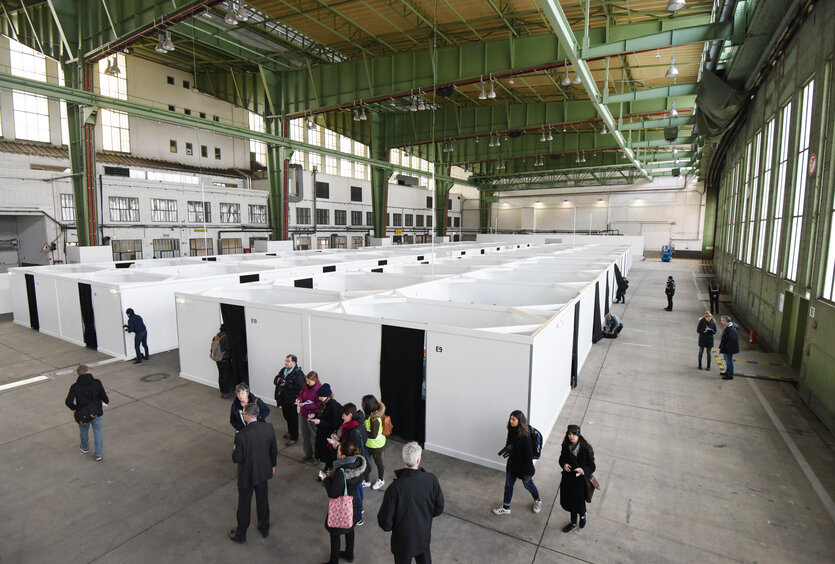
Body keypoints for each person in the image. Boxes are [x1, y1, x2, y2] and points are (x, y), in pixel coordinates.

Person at [378, 441, 445, 564]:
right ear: (418, 460)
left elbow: (385, 522)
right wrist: (424, 517)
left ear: (404, 459)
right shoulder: (431, 480)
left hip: (402, 542)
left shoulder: (395, 488)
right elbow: (439, 507)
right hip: (423, 537)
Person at [229, 402, 278, 543]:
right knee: (262, 500)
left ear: (248, 416)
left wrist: (234, 448)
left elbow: (236, 458)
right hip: (263, 471)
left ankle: (241, 533)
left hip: (247, 474)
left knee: (244, 504)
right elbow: (273, 449)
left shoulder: (241, 435)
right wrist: (272, 465)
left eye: (244, 414)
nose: (243, 416)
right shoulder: (268, 428)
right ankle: (264, 528)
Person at [321, 442, 366, 564]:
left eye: (339, 451)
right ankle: (349, 554)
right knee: (350, 529)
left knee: (335, 533)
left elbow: (333, 493)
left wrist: (326, 479)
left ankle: (334, 561)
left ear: (343, 456)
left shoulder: (342, 471)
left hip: (342, 507)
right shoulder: (358, 463)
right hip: (354, 504)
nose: (337, 452)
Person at [492, 410, 542, 516]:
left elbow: (528, 457)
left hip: (524, 468)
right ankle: (506, 507)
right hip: (512, 465)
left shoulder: (526, 437)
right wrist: (508, 449)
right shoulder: (511, 430)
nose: (511, 421)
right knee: (508, 485)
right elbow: (509, 443)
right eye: (510, 418)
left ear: (520, 421)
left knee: (528, 485)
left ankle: (537, 500)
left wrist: (528, 472)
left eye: (514, 419)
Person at [65, 364, 109, 461]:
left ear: (78, 375)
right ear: (87, 371)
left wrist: (74, 409)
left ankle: (85, 448)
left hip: (82, 414)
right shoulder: (96, 382)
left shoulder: (74, 387)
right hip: (96, 412)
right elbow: (104, 397)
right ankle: (98, 454)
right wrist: (105, 401)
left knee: (83, 430)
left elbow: (68, 401)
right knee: (97, 432)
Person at [558, 424, 595, 532]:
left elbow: (592, 467)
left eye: (574, 434)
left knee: (579, 503)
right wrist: (564, 465)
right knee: (570, 503)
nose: (571, 436)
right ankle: (573, 523)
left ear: (578, 435)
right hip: (568, 479)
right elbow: (561, 459)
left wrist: (583, 470)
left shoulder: (585, 449)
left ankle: (583, 516)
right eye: (569, 434)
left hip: (580, 481)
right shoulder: (566, 446)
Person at [274, 354, 305, 446]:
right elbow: (276, 379)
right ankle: (290, 431)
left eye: (288, 361)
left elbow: (300, 387)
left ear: (294, 362)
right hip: (283, 398)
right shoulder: (283, 370)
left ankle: (294, 437)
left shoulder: (298, 373)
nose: (286, 363)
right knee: (286, 416)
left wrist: (286, 384)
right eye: (286, 360)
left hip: (291, 400)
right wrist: (277, 381)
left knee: (293, 419)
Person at [312, 383, 342, 471]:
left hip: (329, 434)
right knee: (324, 451)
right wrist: (315, 415)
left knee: (328, 453)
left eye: (321, 396)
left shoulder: (333, 406)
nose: (319, 398)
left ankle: (329, 469)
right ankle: (327, 467)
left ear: (327, 396)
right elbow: (323, 415)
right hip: (322, 432)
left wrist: (320, 421)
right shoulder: (324, 403)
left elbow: (334, 424)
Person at [362, 394, 387, 490]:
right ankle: (366, 481)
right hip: (369, 444)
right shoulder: (370, 415)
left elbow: (373, 435)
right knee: (367, 462)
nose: (362, 405)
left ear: (368, 406)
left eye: (363, 403)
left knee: (378, 463)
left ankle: (381, 480)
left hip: (376, 446)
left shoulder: (374, 419)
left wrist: (362, 432)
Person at [298, 371, 322, 464]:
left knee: (314, 436)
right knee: (305, 434)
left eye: (309, 381)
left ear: (315, 380)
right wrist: (299, 400)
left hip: (313, 415)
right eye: (306, 381)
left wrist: (305, 405)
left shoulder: (318, 389)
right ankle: (308, 454)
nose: (307, 383)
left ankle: (317, 457)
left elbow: (318, 405)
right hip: (304, 414)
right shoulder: (305, 385)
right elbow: (301, 394)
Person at [212, 325, 234, 398]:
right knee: (226, 376)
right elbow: (227, 348)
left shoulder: (216, 337)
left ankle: (222, 392)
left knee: (221, 375)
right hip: (225, 359)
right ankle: (226, 392)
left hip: (218, 359)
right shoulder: (225, 337)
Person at [719, 315, 740, 380]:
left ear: (725, 321)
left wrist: (726, 348)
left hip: (729, 349)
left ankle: (730, 375)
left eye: (722, 320)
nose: (721, 321)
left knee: (729, 361)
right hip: (727, 347)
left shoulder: (731, 329)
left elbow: (732, 340)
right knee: (726, 359)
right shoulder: (728, 327)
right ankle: (727, 372)